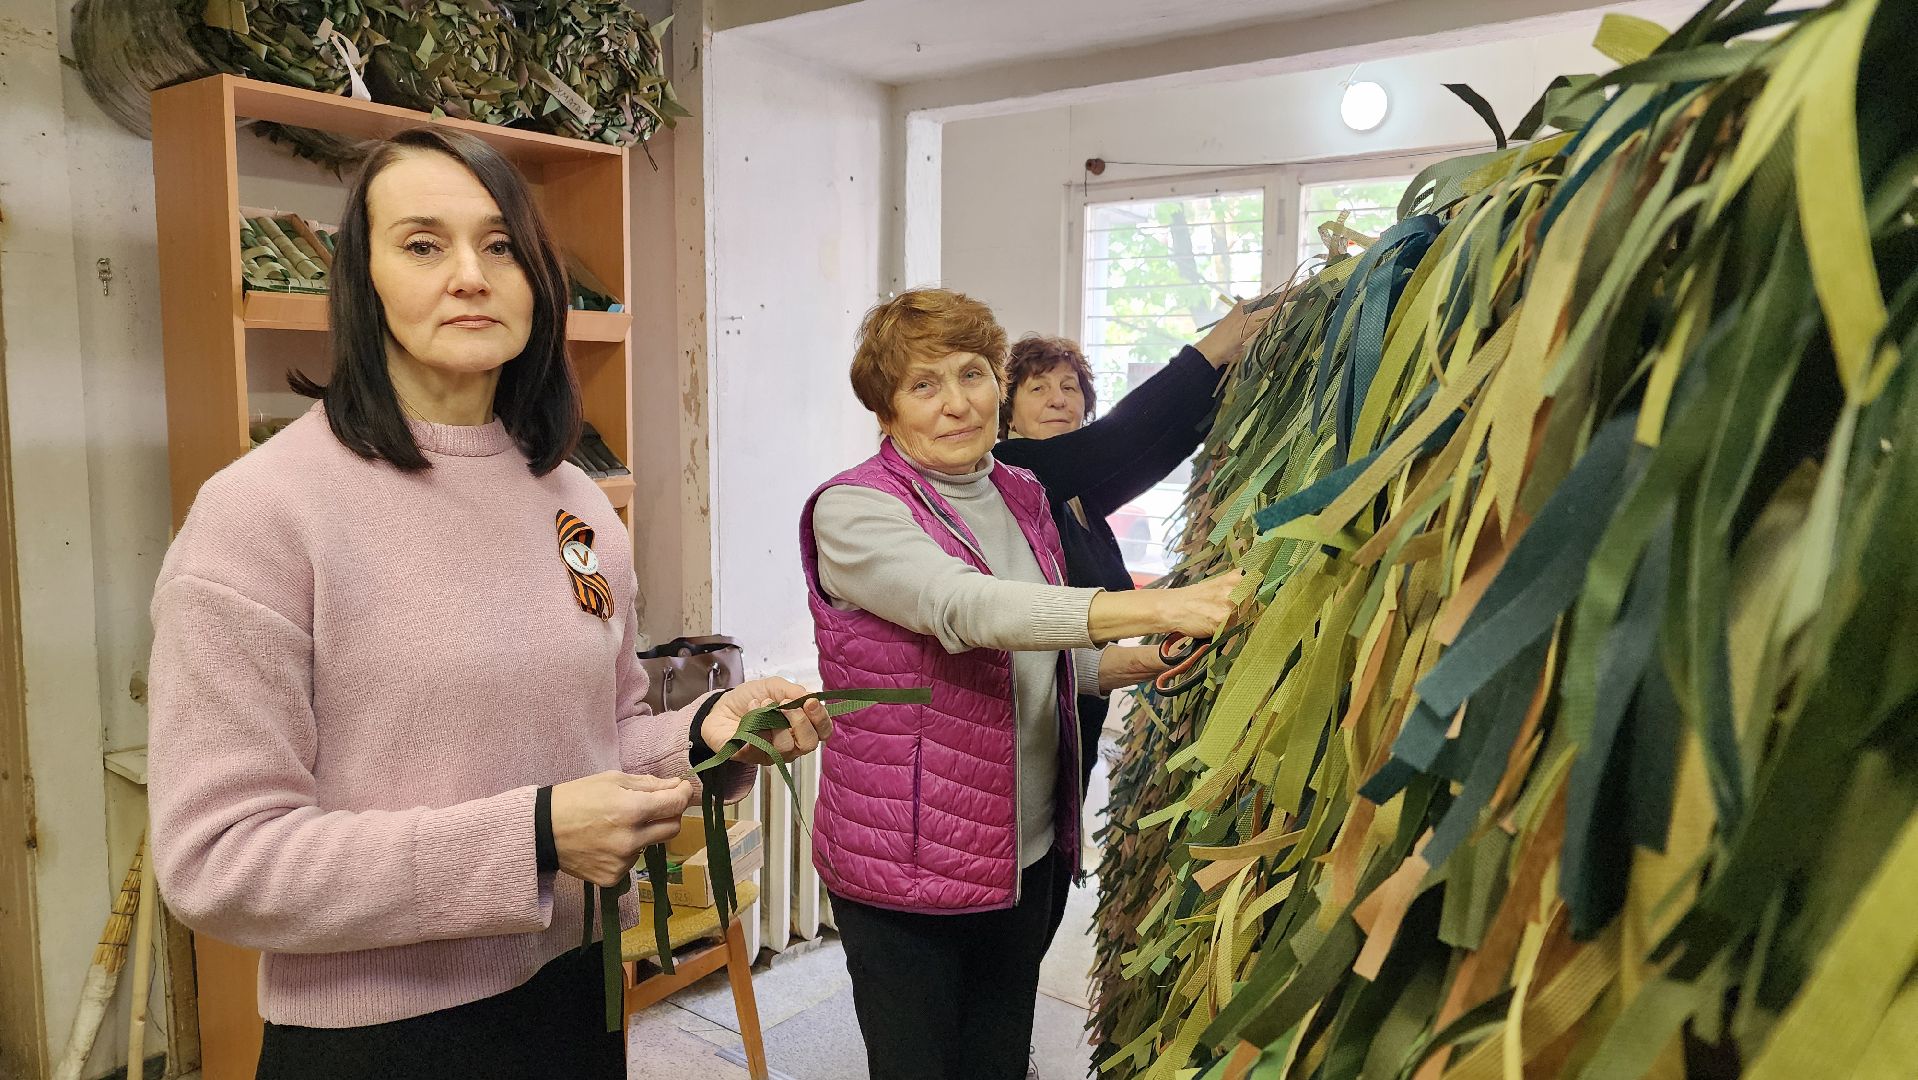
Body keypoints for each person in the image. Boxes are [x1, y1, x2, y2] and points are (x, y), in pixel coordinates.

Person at [146, 127, 831, 1080]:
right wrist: (538, 835)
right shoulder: (262, 513)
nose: (470, 274)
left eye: (501, 243)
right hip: (382, 1038)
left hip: (574, 991)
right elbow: (218, 860)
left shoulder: (574, 500)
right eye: (422, 244)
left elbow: (600, 735)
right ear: (363, 279)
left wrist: (710, 736)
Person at [798, 288, 1242, 1080]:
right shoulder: (855, 508)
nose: (956, 403)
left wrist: (1142, 657)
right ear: (887, 409)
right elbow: (966, 609)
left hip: (1022, 854)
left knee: (998, 1063)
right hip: (912, 867)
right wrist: (1155, 602)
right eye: (923, 385)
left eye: (972, 374)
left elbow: (1032, 660)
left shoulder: (1022, 492)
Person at [995, 302, 1276, 798]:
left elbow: (1160, 447)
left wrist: (1230, 375)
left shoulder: (1082, 495)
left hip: (1078, 710)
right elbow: (1119, 440)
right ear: (1008, 412)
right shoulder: (1011, 470)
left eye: (1069, 387)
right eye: (1037, 389)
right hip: (1022, 726)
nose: (1057, 399)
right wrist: (1207, 352)